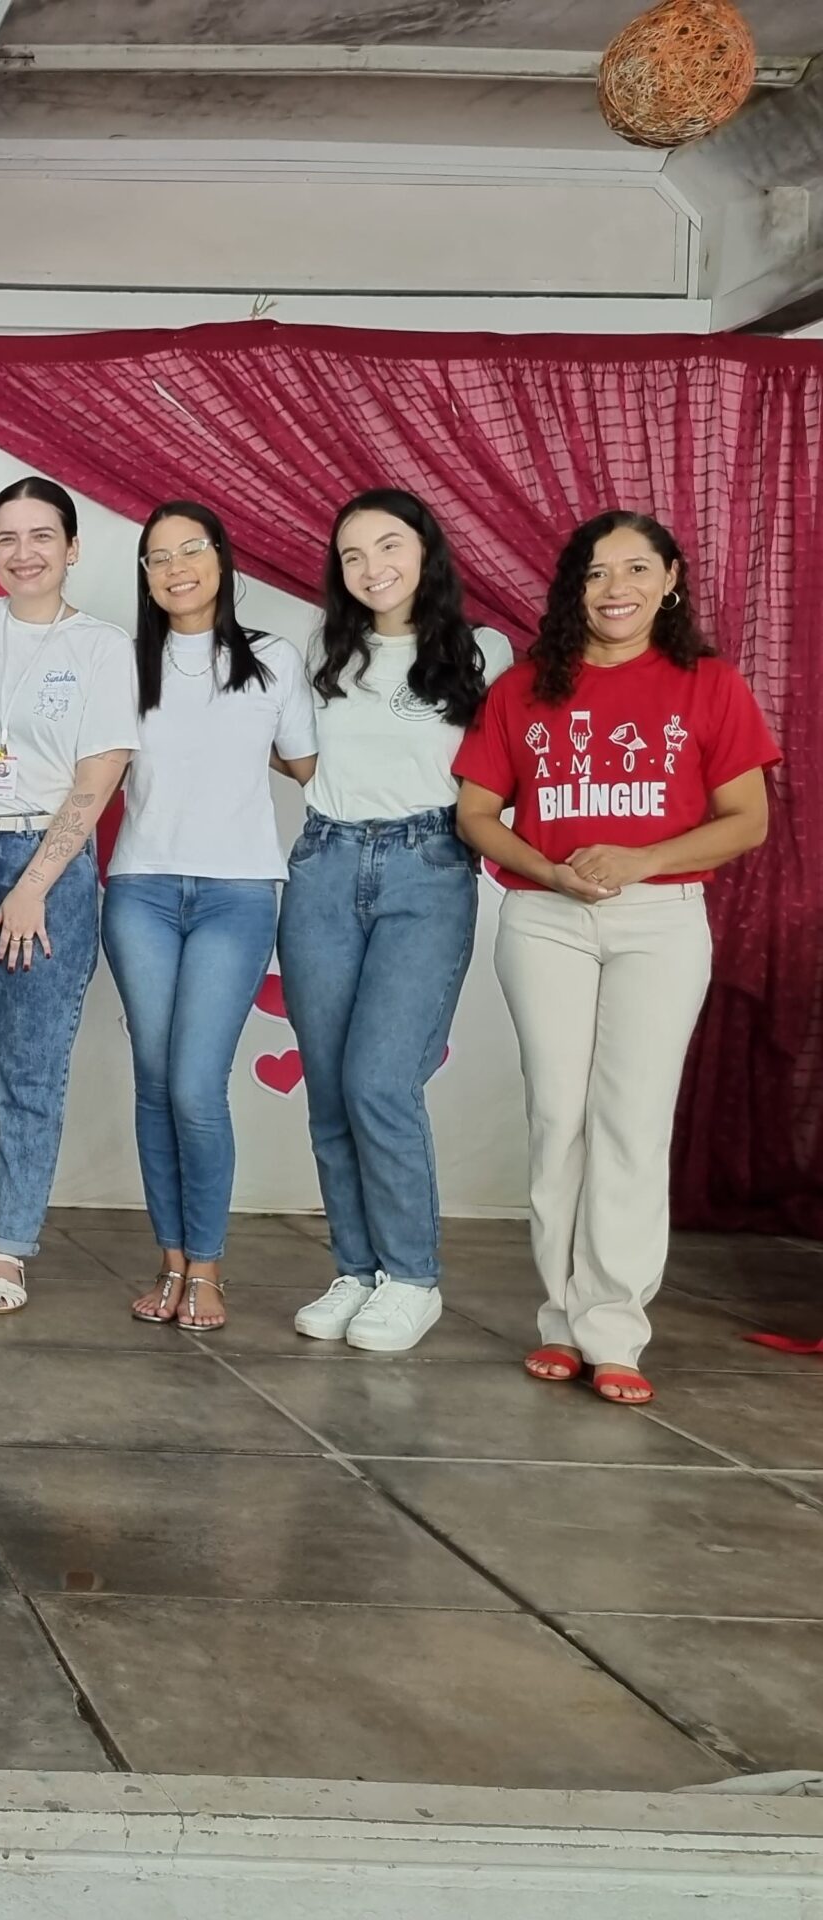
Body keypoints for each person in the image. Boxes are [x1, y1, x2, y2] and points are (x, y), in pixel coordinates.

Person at [454, 511, 776, 1407]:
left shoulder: (708, 684)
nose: (616, 589)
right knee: (561, 1118)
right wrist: (550, 870)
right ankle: (560, 1321)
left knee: (632, 1123)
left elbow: (747, 818)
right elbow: (477, 814)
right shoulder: (525, 689)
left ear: (670, 579)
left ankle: (615, 1330)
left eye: (637, 569)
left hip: (662, 921)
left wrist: (639, 859)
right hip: (546, 920)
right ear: (575, 588)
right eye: (597, 574)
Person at [281, 491, 512, 1355]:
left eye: (389, 545)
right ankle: (357, 1267)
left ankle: (412, 1277)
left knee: (382, 1079)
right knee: (333, 1087)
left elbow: (503, 763)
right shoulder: (324, 650)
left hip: (428, 867)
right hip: (325, 865)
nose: (372, 566)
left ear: (425, 551)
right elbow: (290, 746)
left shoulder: (480, 650)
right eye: (352, 555)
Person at [0, 478, 135, 1313]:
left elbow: (100, 771)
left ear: (73, 548)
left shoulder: (103, 647)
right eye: (6, 537)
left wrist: (35, 883)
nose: (24, 553)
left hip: (48, 862)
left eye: (42, 536)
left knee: (32, 1070)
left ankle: (8, 1247)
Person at [107, 503, 316, 1334]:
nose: (176, 568)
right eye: (158, 557)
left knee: (197, 1086)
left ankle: (207, 1266)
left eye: (192, 550)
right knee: (156, 1085)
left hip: (237, 893)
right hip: (141, 892)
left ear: (223, 560)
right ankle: (169, 1263)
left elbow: (309, 765)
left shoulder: (273, 660)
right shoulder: (123, 666)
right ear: (145, 576)